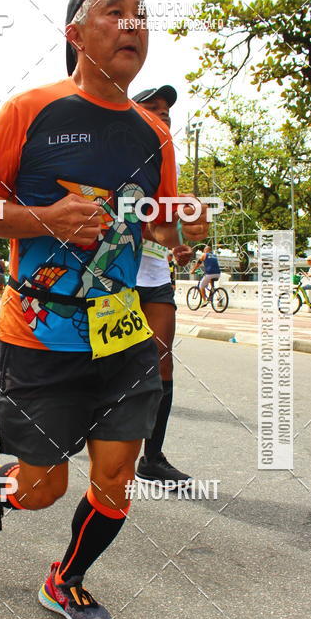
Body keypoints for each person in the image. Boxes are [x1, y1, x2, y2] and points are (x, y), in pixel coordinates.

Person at [0, 0, 208, 619]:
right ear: (76, 34)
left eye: (141, 15)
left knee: (116, 477)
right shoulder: (31, 110)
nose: (132, 25)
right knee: (45, 489)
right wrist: (46, 219)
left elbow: (152, 225)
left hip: (121, 330)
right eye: (114, 12)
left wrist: (181, 230)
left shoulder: (155, 132)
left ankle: (64, 579)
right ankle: (0, 484)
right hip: (40, 335)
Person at [133, 85, 193, 487]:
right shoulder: (117, 159)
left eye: (167, 112)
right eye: (152, 109)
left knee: (162, 364)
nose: (162, 116)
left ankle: (151, 458)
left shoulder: (167, 166)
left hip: (154, 279)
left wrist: (178, 248)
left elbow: (163, 226)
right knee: (100, 363)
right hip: (112, 277)